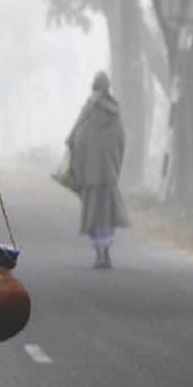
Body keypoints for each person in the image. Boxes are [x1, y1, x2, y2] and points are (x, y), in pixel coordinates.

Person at [66, 71, 130, 269]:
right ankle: (106, 252)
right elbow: (121, 142)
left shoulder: (88, 111)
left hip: (90, 175)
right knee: (107, 215)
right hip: (108, 174)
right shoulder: (115, 111)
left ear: (94, 87)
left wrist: (78, 168)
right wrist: (114, 166)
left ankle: (99, 253)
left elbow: (75, 140)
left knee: (93, 214)